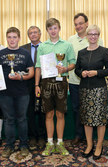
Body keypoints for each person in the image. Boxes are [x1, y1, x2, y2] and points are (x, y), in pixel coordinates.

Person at [0, 27, 34, 158]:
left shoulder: (25, 53)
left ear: (19, 38)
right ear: (6, 38)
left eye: (14, 37)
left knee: (22, 119)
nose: (12, 40)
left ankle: (23, 145)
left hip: (22, 92)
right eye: (9, 37)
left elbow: (31, 72)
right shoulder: (1, 54)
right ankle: (9, 145)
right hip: (4, 93)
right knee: (9, 120)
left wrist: (21, 77)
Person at [35, 18, 76, 156]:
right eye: (50, 28)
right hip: (46, 82)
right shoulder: (42, 46)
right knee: (49, 114)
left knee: (60, 114)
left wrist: (65, 69)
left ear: (59, 28)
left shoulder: (67, 45)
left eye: (55, 28)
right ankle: (49, 143)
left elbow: (72, 63)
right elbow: (38, 67)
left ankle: (60, 143)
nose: (53, 31)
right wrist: (36, 84)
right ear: (47, 30)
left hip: (61, 81)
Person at [75, 25, 108, 160]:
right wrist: (82, 73)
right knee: (87, 119)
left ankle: (99, 146)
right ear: (86, 36)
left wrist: (96, 72)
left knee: (100, 120)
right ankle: (90, 145)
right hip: (84, 89)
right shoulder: (81, 52)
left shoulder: (104, 51)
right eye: (90, 34)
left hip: (99, 89)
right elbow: (76, 70)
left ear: (98, 36)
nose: (92, 36)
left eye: (95, 34)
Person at [68, 13, 104, 146]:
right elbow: (70, 61)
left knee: (93, 109)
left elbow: (101, 60)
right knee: (77, 109)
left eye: (81, 23)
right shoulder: (70, 40)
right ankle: (79, 135)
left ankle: (93, 138)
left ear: (87, 24)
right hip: (74, 81)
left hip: (92, 83)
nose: (78, 26)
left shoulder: (97, 39)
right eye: (76, 24)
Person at [20, 26, 46, 150]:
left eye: (35, 32)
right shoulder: (23, 49)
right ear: (28, 35)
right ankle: (32, 136)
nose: (33, 34)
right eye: (31, 33)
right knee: (28, 111)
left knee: (43, 111)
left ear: (40, 34)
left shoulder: (46, 47)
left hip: (43, 82)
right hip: (27, 83)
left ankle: (41, 136)